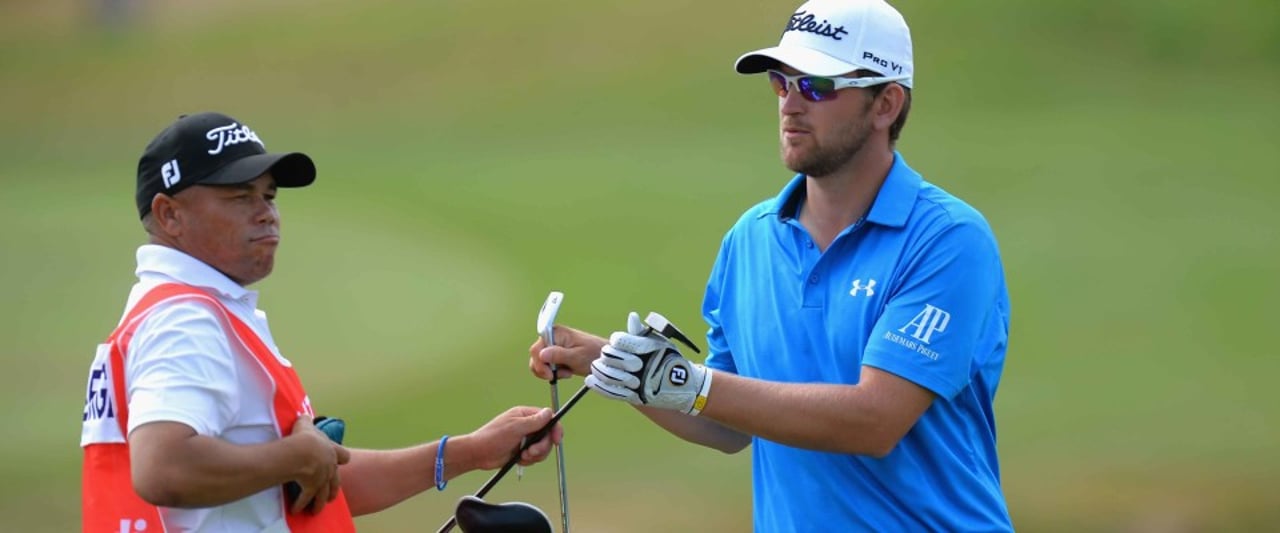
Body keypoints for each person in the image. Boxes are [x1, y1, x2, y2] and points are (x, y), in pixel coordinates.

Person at [528, 0, 1012, 530]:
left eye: (817, 86)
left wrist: (688, 382)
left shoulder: (947, 240)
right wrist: (621, 368)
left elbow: (875, 421)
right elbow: (729, 425)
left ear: (885, 104)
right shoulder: (750, 239)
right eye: (782, 82)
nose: (790, 105)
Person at [81, 111, 563, 532]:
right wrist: (296, 455)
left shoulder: (189, 311)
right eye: (240, 197)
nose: (266, 213)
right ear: (170, 215)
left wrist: (469, 451)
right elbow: (164, 469)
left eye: (269, 195)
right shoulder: (184, 320)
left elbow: (312, 485)